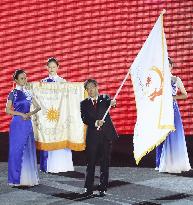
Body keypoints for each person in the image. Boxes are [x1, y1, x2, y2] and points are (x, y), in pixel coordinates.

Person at [80, 79, 118, 197]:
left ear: (97, 87)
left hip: (106, 136)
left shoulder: (105, 98)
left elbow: (111, 102)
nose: (90, 90)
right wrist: (96, 122)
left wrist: (113, 102)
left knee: (105, 163)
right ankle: (88, 188)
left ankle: (103, 188)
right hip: (92, 137)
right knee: (90, 163)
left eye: (92, 87)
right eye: (88, 89)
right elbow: (85, 118)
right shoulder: (84, 103)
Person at [155, 57, 191, 173]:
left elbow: (185, 95)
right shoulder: (159, 80)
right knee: (161, 136)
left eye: (168, 65)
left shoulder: (176, 79)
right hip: (161, 110)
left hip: (172, 109)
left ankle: (174, 163)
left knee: (174, 136)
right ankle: (160, 163)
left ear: (171, 66)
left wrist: (172, 98)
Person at [6, 69, 41, 186]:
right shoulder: (13, 93)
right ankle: (15, 179)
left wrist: (29, 115)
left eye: (25, 78)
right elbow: (8, 110)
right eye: (21, 78)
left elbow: (38, 107)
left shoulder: (28, 92)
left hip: (27, 123)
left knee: (28, 150)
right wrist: (21, 114)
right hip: (17, 123)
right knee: (16, 151)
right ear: (15, 80)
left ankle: (27, 179)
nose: (24, 80)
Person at [40, 57, 74, 173]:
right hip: (47, 114)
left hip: (59, 114)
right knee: (47, 137)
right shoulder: (43, 82)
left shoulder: (63, 82)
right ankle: (46, 165)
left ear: (58, 68)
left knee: (59, 136)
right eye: (49, 67)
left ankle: (61, 165)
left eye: (54, 67)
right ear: (46, 68)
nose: (51, 69)